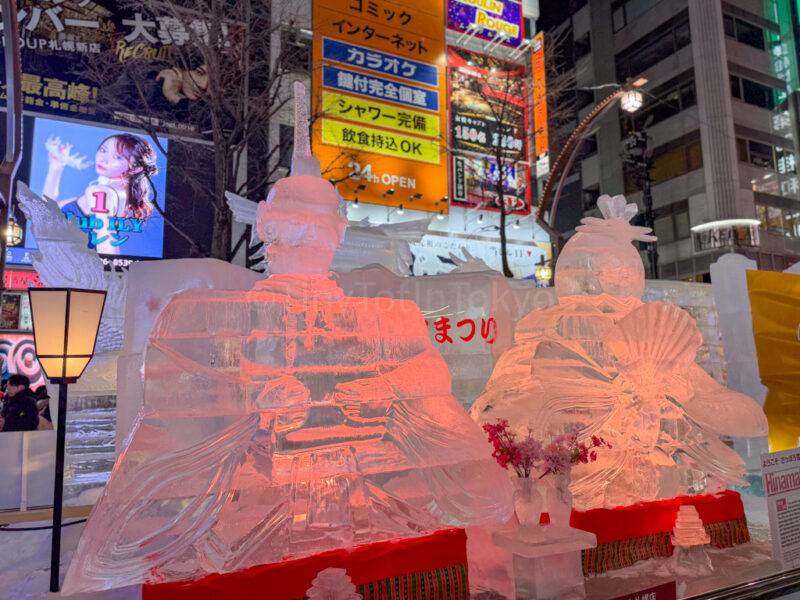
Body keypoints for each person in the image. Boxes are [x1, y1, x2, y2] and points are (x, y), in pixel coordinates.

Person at [42, 133, 159, 255]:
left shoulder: (101, 192)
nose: (103, 158)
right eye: (103, 150)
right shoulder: (123, 194)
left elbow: (106, 241)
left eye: (117, 157)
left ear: (135, 169)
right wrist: (56, 166)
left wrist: (113, 272)